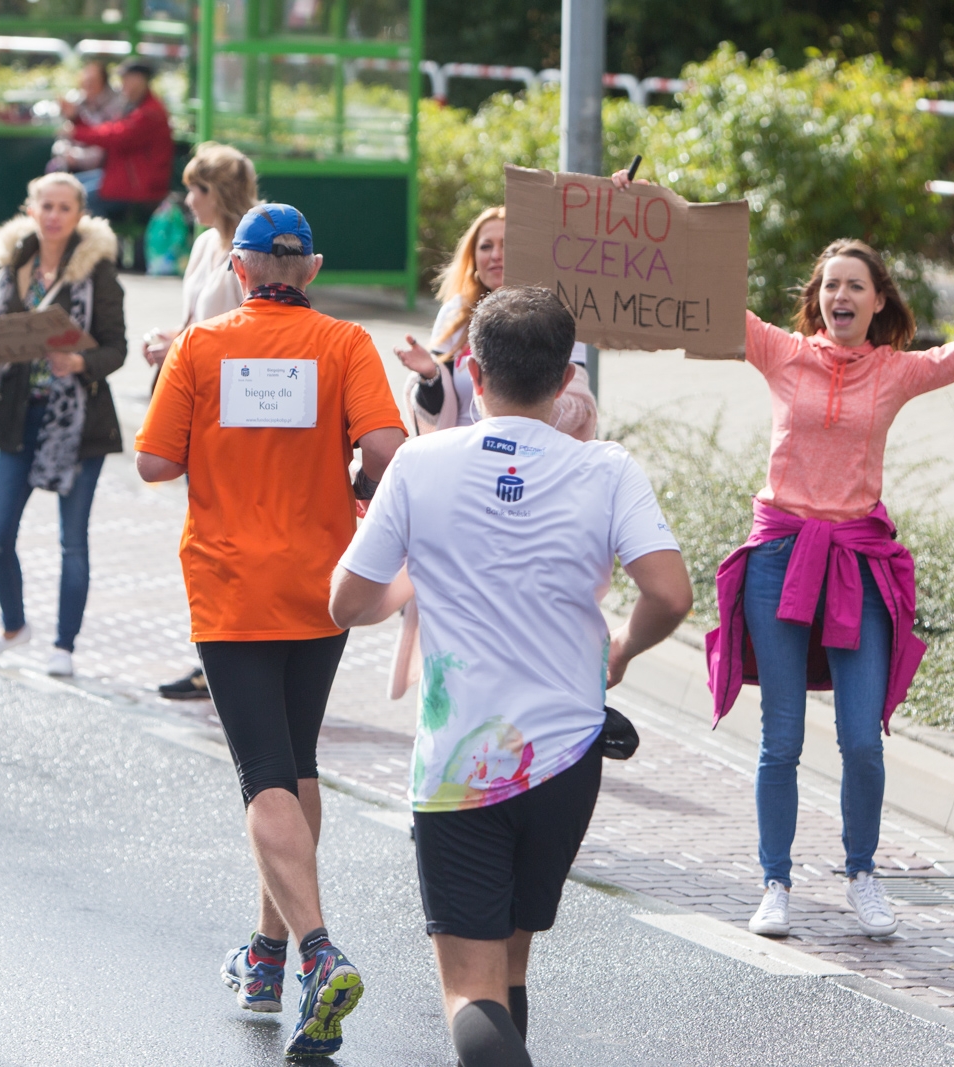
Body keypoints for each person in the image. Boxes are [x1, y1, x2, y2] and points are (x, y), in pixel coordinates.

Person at [666, 171, 954, 941]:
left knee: (863, 737)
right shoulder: (776, 351)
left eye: (854, 286)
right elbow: (697, 284)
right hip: (779, 557)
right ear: (818, 298)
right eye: (829, 284)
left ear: (876, 301)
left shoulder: (897, 371)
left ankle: (862, 871)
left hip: (857, 566)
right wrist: (653, 209)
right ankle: (775, 881)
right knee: (782, 738)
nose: (840, 295)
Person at [329, 286, 693, 1067]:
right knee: (511, 963)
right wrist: (621, 647)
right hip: (566, 758)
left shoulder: (422, 463)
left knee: (470, 991)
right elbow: (671, 593)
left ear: (472, 369)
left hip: (461, 759)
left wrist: (414, 580)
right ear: (567, 378)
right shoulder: (606, 469)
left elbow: (346, 601)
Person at [134, 204, 406, 1058]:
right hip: (321, 584)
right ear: (310, 269)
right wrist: (353, 476)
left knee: (261, 777)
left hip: (231, 586)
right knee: (295, 760)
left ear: (241, 270)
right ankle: (266, 955)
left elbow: (153, 462)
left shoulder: (204, 345)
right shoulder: (345, 343)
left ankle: (318, 953)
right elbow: (390, 448)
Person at [0, 172, 127, 677]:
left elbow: (115, 347)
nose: (53, 215)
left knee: (73, 540)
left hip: (79, 424)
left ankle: (64, 645)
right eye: (45, 206)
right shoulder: (12, 266)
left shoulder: (98, 272)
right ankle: (13, 626)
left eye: (64, 207)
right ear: (30, 210)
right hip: (17, 415)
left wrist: (79, 363)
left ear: (79, 214)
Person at [142, 142, 260, 701]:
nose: (188, 200)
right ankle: (213, 653)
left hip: (231, 409)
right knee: (206, 534)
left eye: (197, 189)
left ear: (221, 194)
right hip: (196, 395)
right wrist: (169, 341)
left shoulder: (249, 250)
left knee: (228, 533)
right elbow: (196, 322)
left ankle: (233, 653)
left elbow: (247, 330)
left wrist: (178, 344)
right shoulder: (204, 244)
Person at [394, 207, 598, 441]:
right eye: (486, 246)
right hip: (464, 455)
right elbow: (434, 416)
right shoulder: (455, 313)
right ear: (473, 257)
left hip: (535, 454)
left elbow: (579, 409)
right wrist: (430, 376)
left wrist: (531, 388)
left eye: (506, 244)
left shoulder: (557, 316)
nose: (495, 255)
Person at [62, 56, 174, 270]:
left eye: (127, 79)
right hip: (122, 178)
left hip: (139, 186)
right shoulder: (135, 106)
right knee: (72, 187)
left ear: (140, 80)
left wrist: (77, 129)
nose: (123, 85)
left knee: (83, 197)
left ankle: (105, 256)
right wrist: (77, 120)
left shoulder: (149, 112)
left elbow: (116, 135)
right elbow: (111, 132)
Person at [48, 59, 125, 204]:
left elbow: (101, 145)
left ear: (103, 83)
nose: (87, 86)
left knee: (73, 197)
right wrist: (66, 154)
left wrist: (76, 157)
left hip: (106, 171)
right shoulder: (76, 100)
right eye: (84, 81)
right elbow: (63, 137)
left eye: (92, 82)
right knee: (53, 178)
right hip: (75, 165)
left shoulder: (116, 106)